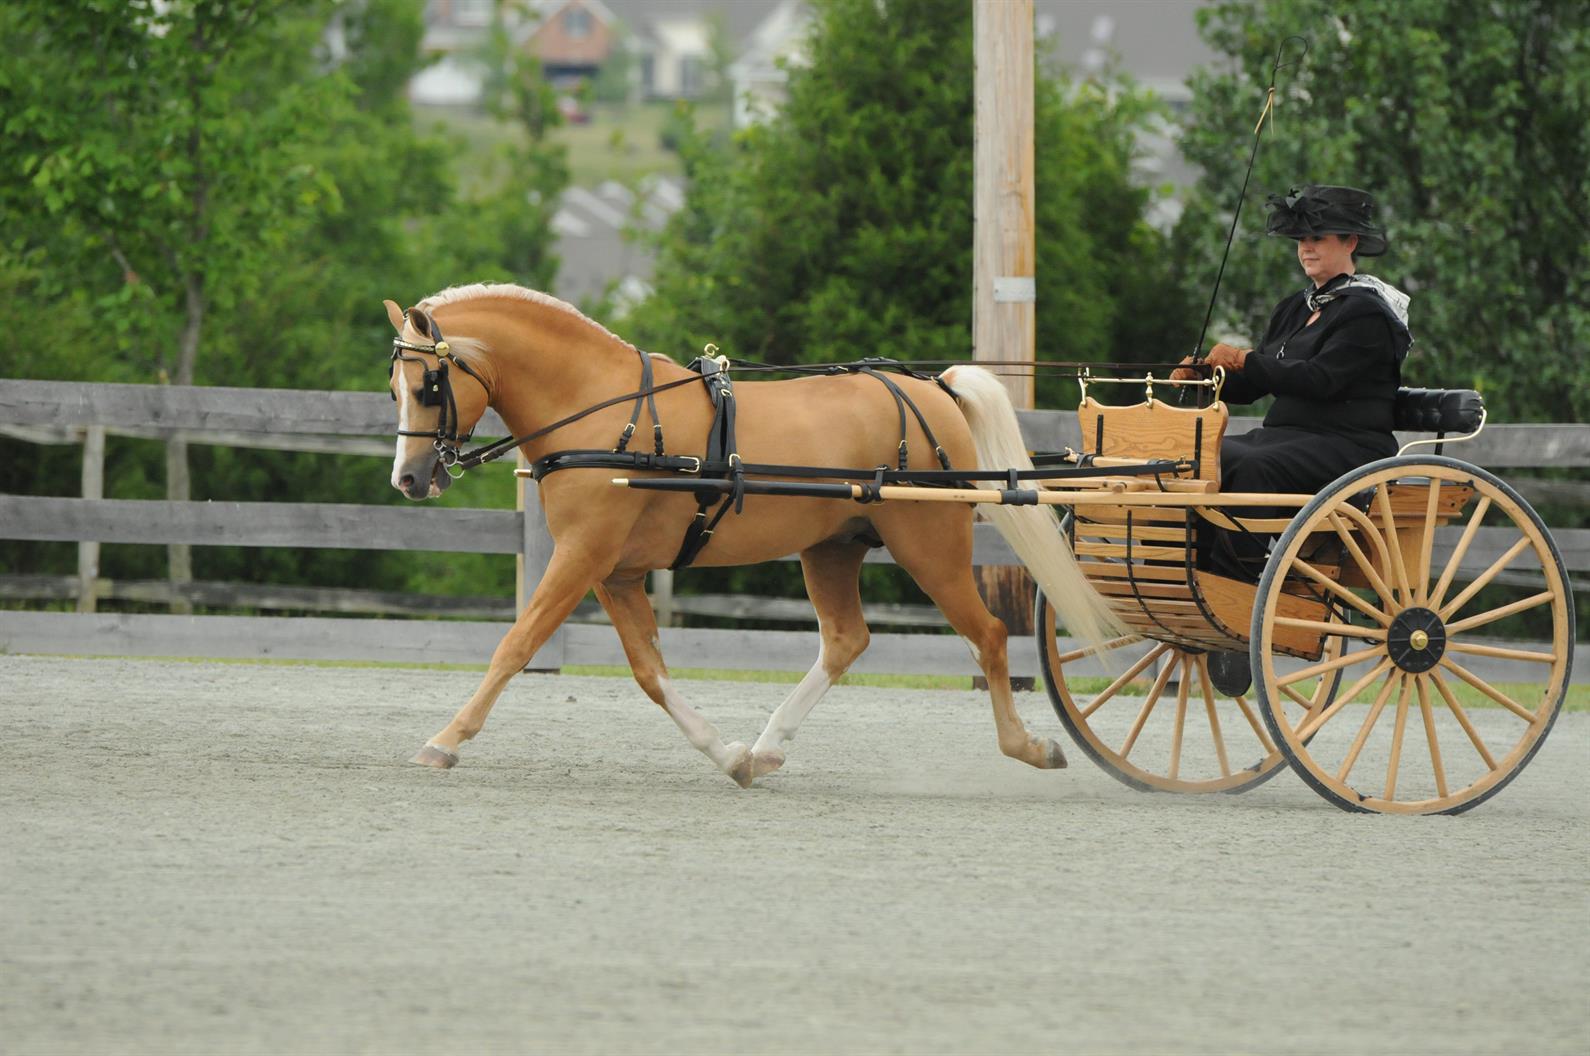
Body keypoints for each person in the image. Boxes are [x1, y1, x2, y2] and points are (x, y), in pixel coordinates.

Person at [1177, 184, 1413, 581]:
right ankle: (1193, 573)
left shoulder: (1368, 313)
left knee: (1254, 464)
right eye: (1301, 239)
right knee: (1199, 454)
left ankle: (1236, 583)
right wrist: (1205, 376)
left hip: (1348, 446)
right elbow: (1254, 386)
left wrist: (1244, 358)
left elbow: (1320, 381)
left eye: (1318, 237)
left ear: (1350, 242)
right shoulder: (1293, 308)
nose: (1307, 247)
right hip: (1288, 438)